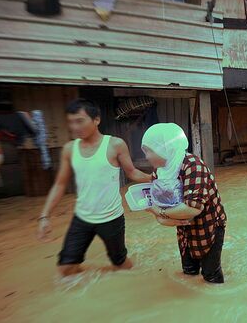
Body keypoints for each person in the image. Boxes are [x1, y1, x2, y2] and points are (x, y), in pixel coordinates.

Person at [37, 98, 151, 277]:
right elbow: (59, 184)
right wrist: (44, 217)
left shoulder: (115, 145)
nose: (74, 127)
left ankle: (139, 279)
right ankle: (94, 278)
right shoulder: (69, 149)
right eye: (71, 122)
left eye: (79, 121)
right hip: (82, 218)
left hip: (111, 218)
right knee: (66, 268)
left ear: (96, 120)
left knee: (120, 265)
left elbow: (133, 173)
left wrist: (158, 178)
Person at [142, 123, 227, 284]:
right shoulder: (159, 171)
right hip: (183, 226)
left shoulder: (193, 166)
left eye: (149, 150)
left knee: (211, 276)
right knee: (189, 271)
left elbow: (192, 209)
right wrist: (159, 215)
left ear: (165, 148)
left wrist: (159, 213)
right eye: (145, 151)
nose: (146, 156)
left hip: (208, 224)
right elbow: (160, 205)